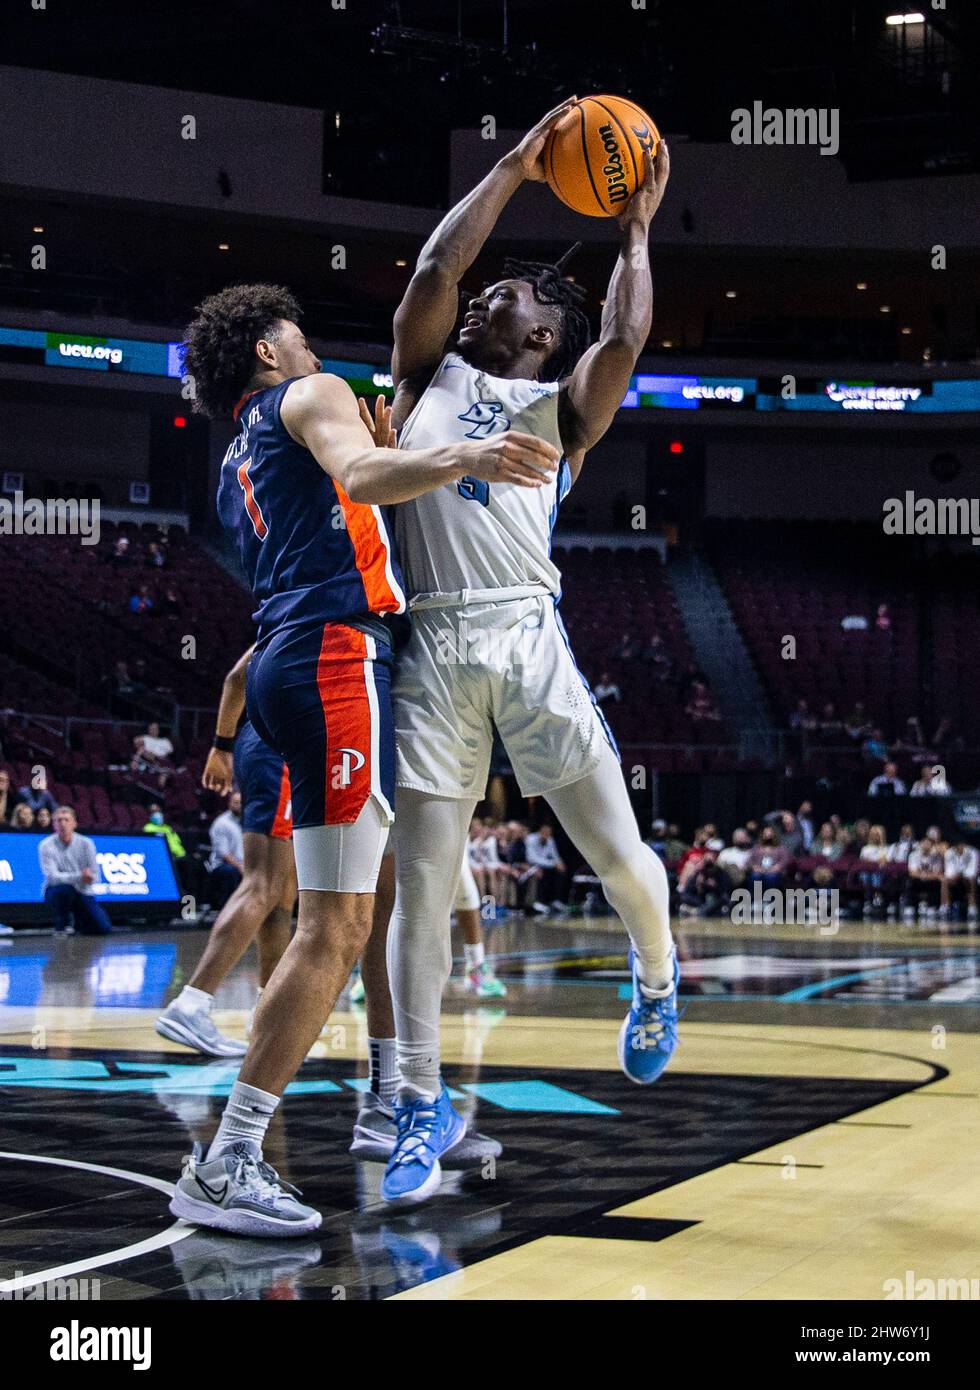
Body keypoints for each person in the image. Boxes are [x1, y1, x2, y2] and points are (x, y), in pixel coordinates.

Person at [167, 280, 548, 1235]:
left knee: (369, 903)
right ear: (265, 348)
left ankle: (390, 1100)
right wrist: (461, 453)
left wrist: (379, 450)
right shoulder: (316, 392)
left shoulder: (237, 456)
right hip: (336, 657)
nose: (309, 341)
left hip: (298, 663)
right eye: (295, 331)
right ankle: (229, 1160)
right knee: (333, 924)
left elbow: (346, 497)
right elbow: (365, 479)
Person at [381, 99, 677, 1204]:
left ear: (541, 333)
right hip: (435, 641)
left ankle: (654, 975)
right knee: (419, 888)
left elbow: (626, 340)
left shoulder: (561, 406)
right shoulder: (421, 375)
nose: (475, 302)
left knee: (616, 856)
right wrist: (514, 162)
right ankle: (417, 1100)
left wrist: (635, 231)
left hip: (525, 631)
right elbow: (429, 268)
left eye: (499, 296)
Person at [39, 806, 112, 936]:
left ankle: (79, 921)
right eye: (59, 820)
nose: (63, 824)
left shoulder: (86, 843)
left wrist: (89, 878)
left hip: (83, 891)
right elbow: (52, 877)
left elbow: (95, 875)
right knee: (63, 890)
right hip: (56, 890)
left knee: (103, 928)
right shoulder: (46, 845)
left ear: (74, 823)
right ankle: (62, 923)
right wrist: (79, 876)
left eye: (66, 820)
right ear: (54, 824)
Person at [206, 791, 245, 910]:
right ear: (229, 804)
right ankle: (230, 910)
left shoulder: (249, 821)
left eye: (241, 803)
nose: (239, 805)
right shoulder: (221, 823)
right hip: (222, 865)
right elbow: (223, 853)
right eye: (236, 802)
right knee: (231, 871)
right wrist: (240, 867)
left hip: (245, 864)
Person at [525, 823, 568, 914]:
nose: (547, 835)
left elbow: (555, 855)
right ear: (540, 832)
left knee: (560, 871)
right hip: (529, 865)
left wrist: (559, 863)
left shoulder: (550, 840)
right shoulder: (531, 839)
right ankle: (538, 901)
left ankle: (556, 900)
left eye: (549, 833)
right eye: (545, 832)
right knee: (541, 871)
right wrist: (553, 864)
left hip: (544, 865)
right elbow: (532, 859)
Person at [942, 839, 978, 922]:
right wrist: (956, 876)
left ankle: (972, 906)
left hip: (968, 877)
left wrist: (960, 875)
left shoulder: (972, 852)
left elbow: (972, 871)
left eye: (961, 844)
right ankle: (945, 907)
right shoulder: (949, 853)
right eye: (957, 845)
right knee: (944, 881)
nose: (959, 847)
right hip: (955, 877)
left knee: (972, 880)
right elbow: (949, 872)